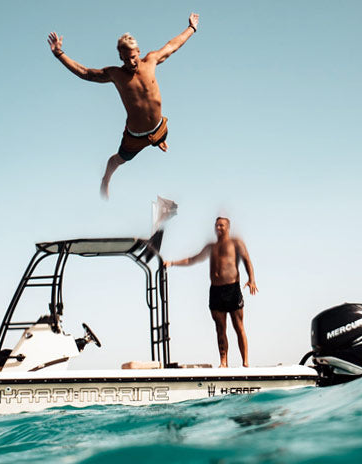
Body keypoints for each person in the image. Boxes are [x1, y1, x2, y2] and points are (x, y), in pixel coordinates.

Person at [47, 13, 200, 198]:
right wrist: (59, 54)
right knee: (117, 160)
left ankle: (158, 140)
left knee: (161, 136)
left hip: (160, 127)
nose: (131, 62)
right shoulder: (115, 74)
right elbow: (85, 73)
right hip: (135, 136)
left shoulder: (151, 60)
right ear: (120, 56)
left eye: (133, 57)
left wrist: (191, 28)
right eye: (126, 59)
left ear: (139, 52)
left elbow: (172, 46)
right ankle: (106, 179)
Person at [164, 217, 258, 368]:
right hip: (216, 291)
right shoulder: (211, 247)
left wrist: (252, 279)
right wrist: (172, 263)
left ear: (228, 227)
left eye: (221, 225)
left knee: (238, 326)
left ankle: (245, 362)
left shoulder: (236, 243)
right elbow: (192, 259)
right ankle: (223, 362)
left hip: (232, 288)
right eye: (216, 225)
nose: (218, 228)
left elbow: (247, 260)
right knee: (220, 328)